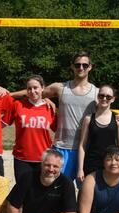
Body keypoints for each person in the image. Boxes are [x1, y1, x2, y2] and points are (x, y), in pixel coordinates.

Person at [10, 51, 100, 181]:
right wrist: (6, 94)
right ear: (72, 66)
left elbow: (106, 112)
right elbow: (34, 92)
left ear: (90, 67)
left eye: (85, 65)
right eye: (77, 64)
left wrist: (117, 117)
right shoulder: (60, 88)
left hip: (85, 149)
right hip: (62, 148)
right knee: (55, 189)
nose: (81, 68)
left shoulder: (97, 93)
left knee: (85, 190)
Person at [2, 75, 56, 184]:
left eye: (35, 88)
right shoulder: (17, 105)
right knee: (23, 193)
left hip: (43, 159)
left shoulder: (49, 108)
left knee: (40, 194)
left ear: (42, 88)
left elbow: (59, 131)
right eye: (29, 88)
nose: (32, 91)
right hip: (22, 158)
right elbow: (1, 125)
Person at [77, 85, 119, 184]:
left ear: (113, 99)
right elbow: (82, 145)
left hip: (111, 163)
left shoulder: (117, 120)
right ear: (97, 96)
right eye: (101, 95)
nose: (104, 98)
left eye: (108, 97)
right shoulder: (88, 119)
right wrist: (80, 169)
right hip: (91, 164)